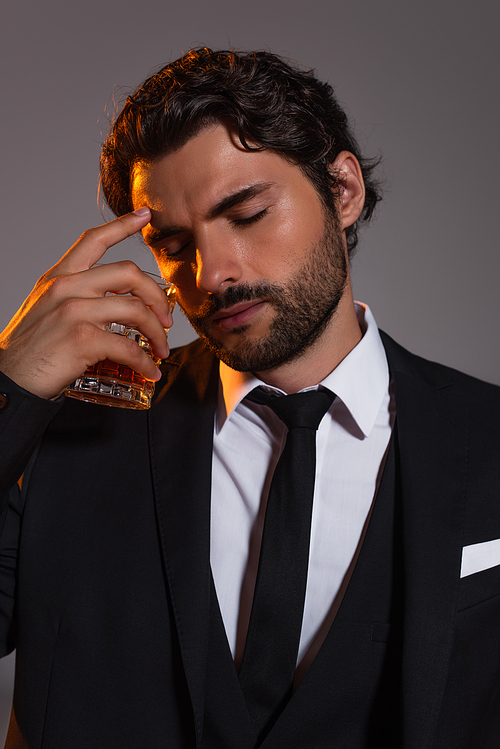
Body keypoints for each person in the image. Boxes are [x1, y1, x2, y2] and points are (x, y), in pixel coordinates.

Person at [0, 47, 499, 749]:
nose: (213, 272)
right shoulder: (63, 439)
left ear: (343, 189)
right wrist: (9, 385)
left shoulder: (488, 439)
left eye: (248, 213)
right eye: (174, 243)